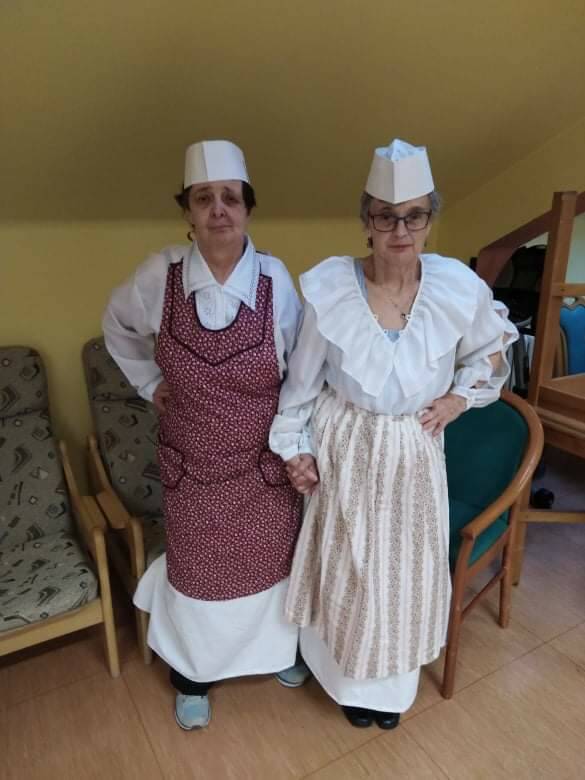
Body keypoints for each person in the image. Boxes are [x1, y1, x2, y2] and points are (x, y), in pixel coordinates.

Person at [269, 138, 518, 730]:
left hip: (413, 447)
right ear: (366, 222)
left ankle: (388, 694)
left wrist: (459, 398)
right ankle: (342, 680)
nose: (400, 229)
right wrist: (295, 449)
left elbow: (490, 352)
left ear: (430, 220)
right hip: (346, 444)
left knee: (403, 574)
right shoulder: (331, 289)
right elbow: (301, 382)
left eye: (414, 216)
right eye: (385, 216)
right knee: (349, 566)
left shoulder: (456, 287)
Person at [103, 139, 308, 730]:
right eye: (203, 198)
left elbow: (300, 368)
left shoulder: (274, 279)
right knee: (196, 573)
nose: (218, 209)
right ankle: (192, 675)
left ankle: (277, 653)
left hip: (262, 464)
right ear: (187, 212)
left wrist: (296, 444)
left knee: (270, 566)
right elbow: (116, 326)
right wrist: (149, 384)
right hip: (191, 463)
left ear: (248, 208)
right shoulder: (159, 275)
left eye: (230, 198)